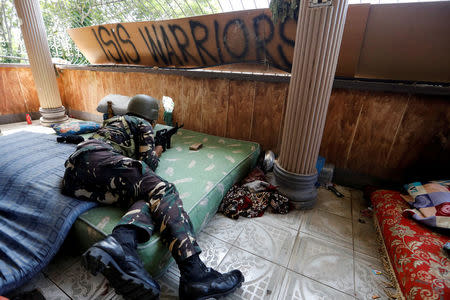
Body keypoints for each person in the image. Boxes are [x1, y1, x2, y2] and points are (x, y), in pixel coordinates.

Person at [61, 94, 244, 300]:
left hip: (74, 179)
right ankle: (195, 273)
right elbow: (148, 161)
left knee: (147, 197)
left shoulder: (113, 121)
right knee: (163, 190)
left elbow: (124, 165)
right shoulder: (142, 123)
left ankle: (123, 241)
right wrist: (158, 148)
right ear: (152, 118)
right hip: (97, 159)